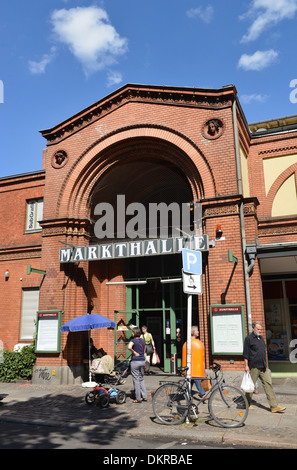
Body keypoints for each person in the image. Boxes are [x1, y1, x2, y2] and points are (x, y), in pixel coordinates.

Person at [243, 321, 286, 413]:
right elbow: (246, 354)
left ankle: (274, 406)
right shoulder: (248, 339)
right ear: (253, 328)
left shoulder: (261, 338)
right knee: (250, 386)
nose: (260, 331)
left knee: (268, 384)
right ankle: (247, 403)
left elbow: (263, 351)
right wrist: (246, 366)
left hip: (263, 366)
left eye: (261, 330)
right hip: (253, 366)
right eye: (258, 329)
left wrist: (266, 364)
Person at [128, 327, 148, 403]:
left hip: (135, 362)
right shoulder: (143, 341)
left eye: (132, 332)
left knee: (136, 380)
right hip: (142, 361)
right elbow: (144, 351)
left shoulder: (133, 340)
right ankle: (145, 396)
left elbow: (129, 347)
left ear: (135, 333)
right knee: (141, 379)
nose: (132, 333)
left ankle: (138, 398)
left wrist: (134, 352)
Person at [191, 326, 207, 398]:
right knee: (195, 378)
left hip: (195, 365)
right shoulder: (192, 342)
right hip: (192, 365)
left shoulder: (196, 342)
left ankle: (186, 393)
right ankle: (202, 394)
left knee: (191, 381)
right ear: (193, 332)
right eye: (197, 331)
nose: (198, 332)